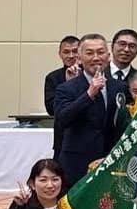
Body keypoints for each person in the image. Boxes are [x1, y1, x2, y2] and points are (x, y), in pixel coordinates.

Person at [53, 33, 128, 189]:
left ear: (108, 56)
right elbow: (63, 119)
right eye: (89, 53)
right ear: (79, 58)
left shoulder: (119, 87)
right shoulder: (66, 88)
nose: (96, 57)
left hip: (111, 163)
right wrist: (89, 94)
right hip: (77, 164)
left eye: (100, 52)